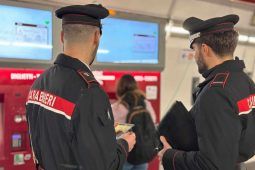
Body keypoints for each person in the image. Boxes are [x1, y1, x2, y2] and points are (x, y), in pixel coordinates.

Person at [25, 4, 136, 170]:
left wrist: (102, 132)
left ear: (62, 36)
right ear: (96, 37)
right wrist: (124, 144)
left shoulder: (39, 82)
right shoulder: (90, 92)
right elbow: (105, 166)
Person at [158, 14, 255, 170]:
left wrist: (170, 155)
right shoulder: (245, 82)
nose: (195, 56)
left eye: (195, 49)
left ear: (204, 49)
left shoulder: (216, 92)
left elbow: (212, 165)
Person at [111, 74, 156, 170]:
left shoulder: (117, 107)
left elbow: (111, 130)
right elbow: (153, 120)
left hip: (125, 153)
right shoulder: (145, 103)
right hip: (142, 151)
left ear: (119, 88)